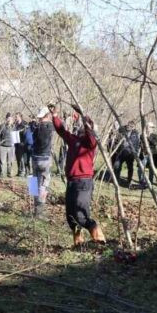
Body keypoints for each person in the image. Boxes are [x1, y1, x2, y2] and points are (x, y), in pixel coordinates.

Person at [50, 105, 106, 247]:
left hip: (83, 182)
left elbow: (89, 129)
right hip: (72, 182)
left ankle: (99, 239)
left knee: (81, 215)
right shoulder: (74, 139)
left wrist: (83, 114)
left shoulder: (90, 143)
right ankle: (79, 243)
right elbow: (61, 131)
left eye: (85, 127)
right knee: (70, 216)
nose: (82, 127)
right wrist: (55, 115)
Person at [31, 107, 54, 218]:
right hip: (44, 159)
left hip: (34, 158)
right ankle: (39, 212)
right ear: (47, 115)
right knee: (44, 184)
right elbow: (60, 124)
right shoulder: (49, 127)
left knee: (33, 180)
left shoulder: (35, 127)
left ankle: (33, 205)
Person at [113, 121, 140, 187]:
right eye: (128, 125)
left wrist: (135, 153)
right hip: (121, 151)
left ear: (133, 127)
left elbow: (136, 144)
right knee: (117, 166)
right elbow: (118, 129)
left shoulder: (135, 133)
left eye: (131, 126)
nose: (129, 127)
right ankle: (116, 180)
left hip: (130, 153)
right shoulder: (123, 130)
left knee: (130, 168)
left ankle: (129, 181)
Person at [0, 113, 15, 178]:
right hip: (2, 146)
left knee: (10, 161)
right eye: (8, 118)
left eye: (11, 118)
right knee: (2, 162)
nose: (9, 120)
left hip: (11, 146)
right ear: (6, 119)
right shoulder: (1, 126)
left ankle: (9, 173)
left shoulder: (14, 127)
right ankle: (0, 174)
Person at [14, 112, 27, 177]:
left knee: (22, 158)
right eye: (15, 117)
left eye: (16, 117)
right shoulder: (15, 124)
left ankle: (23, 171)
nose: (15, 118)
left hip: (22, 143)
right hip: (16, 144)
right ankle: (19, 171)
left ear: (20, 117)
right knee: (18, 158)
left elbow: (26, 134)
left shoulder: (24, 124)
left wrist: (21, 131)